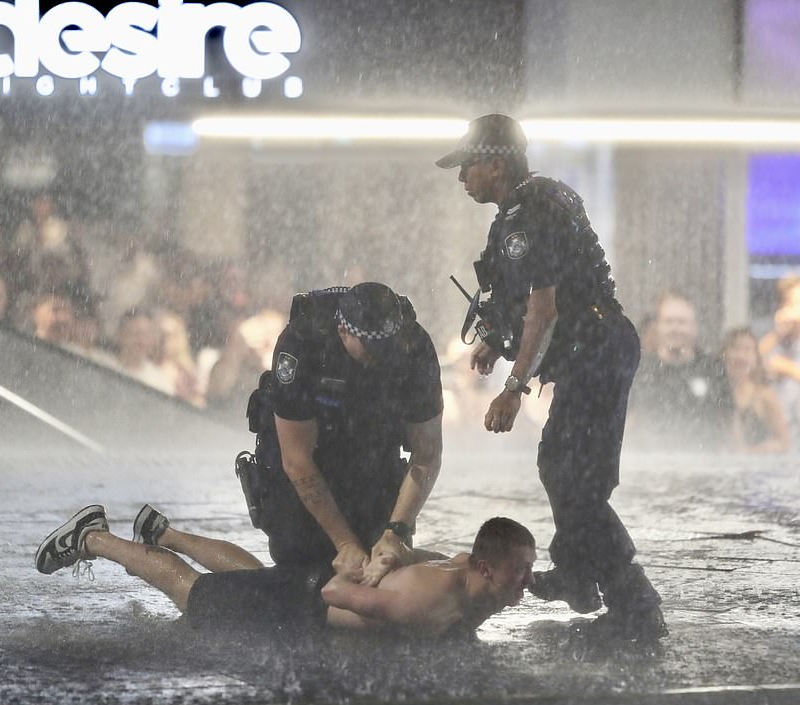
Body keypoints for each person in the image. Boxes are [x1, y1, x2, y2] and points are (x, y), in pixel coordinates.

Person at [435, 113, 666, 643]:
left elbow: (544, 307)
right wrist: (497, 339)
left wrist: (513, 389)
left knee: (572, 477)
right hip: (600, 347)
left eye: (467, 165)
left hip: (595, 352)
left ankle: (634, 601)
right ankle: (577, 572)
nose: (461, 177)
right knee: (568, 468)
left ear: (495, 162)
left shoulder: (525, 215)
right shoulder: (545, 198)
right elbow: (538, 297)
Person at [34, 504, 535, 639]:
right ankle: (92, 537)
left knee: (252, 572)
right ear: (486, 567)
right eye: (521, 572)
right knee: (195, 594)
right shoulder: (422, 600)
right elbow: (337, 594)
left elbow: (417, 556)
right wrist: (370, 573)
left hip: (304, 588)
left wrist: (396, 555)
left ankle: (164, 533)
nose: (528, 582)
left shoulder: (467, 573)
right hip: (309, 601)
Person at [245, 282, 444, 587]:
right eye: (373, 351)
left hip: (373, 459)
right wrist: (343, 542)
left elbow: (427, 453)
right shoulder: (303, 344)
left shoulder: (413, 346)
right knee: (303, 572)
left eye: (388, 349)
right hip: (306, 466)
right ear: (344, 332)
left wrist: (396, 532)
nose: (381, 360)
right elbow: (297, 459)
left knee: (385, 568)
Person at [629, 291, 732, 450]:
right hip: (651, 465)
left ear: (694, 327)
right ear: (657, 327)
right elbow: (627, 421)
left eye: (682, 322)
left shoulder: (713, 368)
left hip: (706, 464)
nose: (675, 328)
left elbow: (730, 423)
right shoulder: (639, 369)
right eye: (669, 322)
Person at [721, 327, 790, 454]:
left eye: (747, 350)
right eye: (735, 348)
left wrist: (750, 452)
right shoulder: (716, 392)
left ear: (756, 358)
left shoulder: (764, 395)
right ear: (725, 353)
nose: (741, 355)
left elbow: (783, 443)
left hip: (756, 466)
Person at [759, 274, 800, 450]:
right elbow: (749, 369)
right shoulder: (772, 339)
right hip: (780, 443)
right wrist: (777, 334)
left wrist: (788, 368)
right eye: (792, 303)